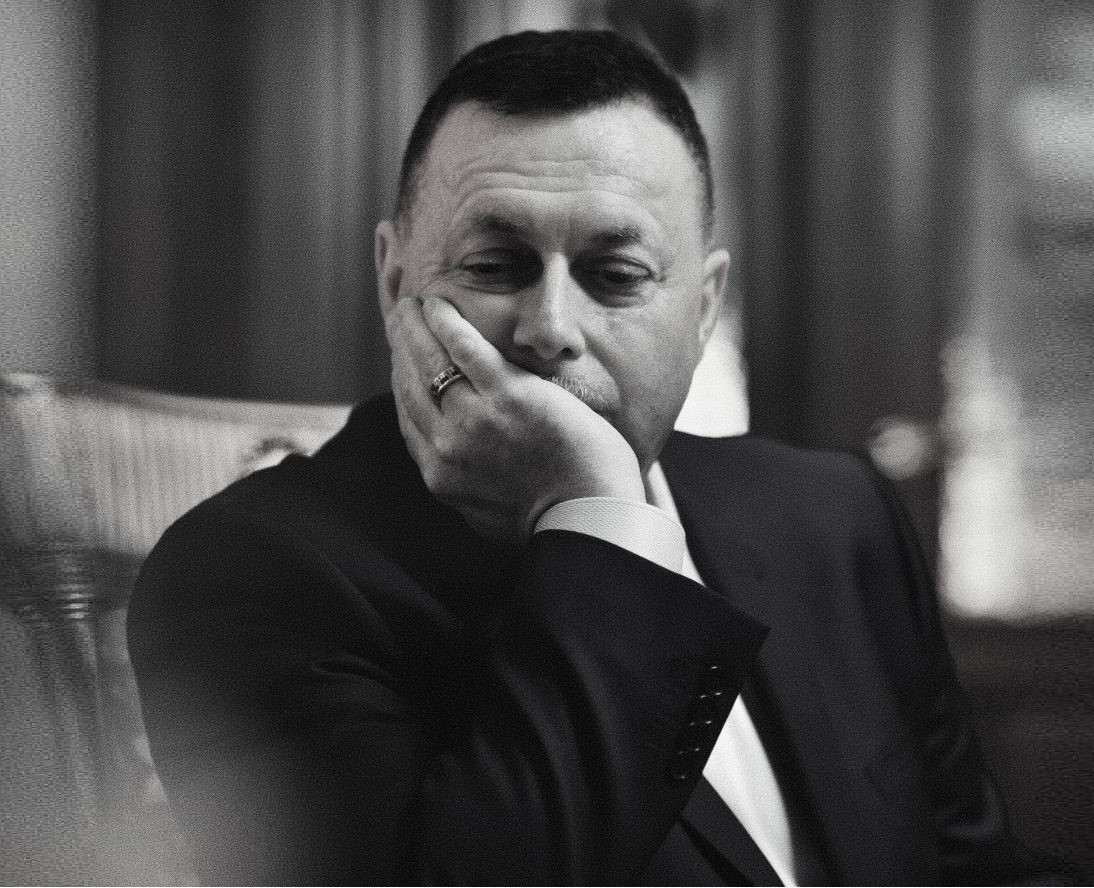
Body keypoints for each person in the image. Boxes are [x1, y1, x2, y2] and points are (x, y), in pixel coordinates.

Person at [128, 30, 1034, 885]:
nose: (551, 328)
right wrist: (599, 513)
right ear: (395, 280)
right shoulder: (247, 576)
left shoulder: (835, 516)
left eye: (616, 275)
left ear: (704, 308)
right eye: (495, 266)